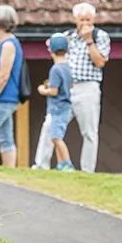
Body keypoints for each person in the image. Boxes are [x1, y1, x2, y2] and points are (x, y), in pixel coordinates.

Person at [34, 2, 111, 172]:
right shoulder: (67, 37)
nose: (85, 23)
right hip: (66, 89)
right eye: (82, 19)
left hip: (88, 88)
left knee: (89, 132)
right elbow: (53, 50)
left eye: (88, 19)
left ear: (94, 19)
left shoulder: (101, 36)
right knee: (50, 125)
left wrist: (89, 40)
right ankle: (41, 165)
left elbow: (100, 62)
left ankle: (87, 170)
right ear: (75, 20)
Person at [0, 5, 23, 167]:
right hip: (4, 99)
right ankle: (10, 173)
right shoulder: (4, 43)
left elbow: (3, 76)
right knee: (5, 137)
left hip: (2, 99)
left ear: (2, 22)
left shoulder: (8, 45)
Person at [36, 33, 75, 171]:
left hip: (57, 108)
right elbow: (71, 85)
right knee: (55, 136)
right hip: (66, 107)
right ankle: (60, 164)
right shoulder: (67, 67)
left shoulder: (55, 69)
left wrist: (42, 90)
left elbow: (53, 92)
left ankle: (67, 163)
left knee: (56, 138)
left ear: (50, 50)